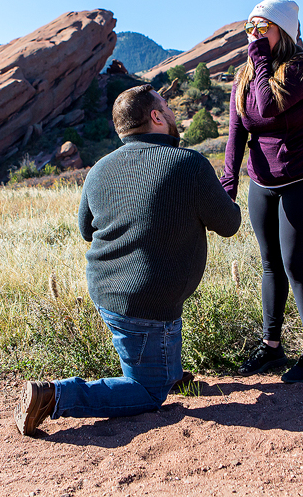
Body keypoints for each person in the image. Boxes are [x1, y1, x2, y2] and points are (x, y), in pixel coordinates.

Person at [15, 84, 241, 435]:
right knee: (147, 393)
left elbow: (86, 230)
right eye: (166, 107)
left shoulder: (100, 169)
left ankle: (170, 372)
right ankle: (55, 397)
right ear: (155, 117)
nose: (171, 112)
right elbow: (229, 224)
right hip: (145, 303)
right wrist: (226, 187)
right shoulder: (189, 164)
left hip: (107, 289)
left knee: (162, 306)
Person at [220, 0, 303, 384]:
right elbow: (238, 131)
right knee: (270, 263)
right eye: (249, 29)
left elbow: (267, 110)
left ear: (282, 31)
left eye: (261, 28)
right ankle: (272, 346)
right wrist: (229, 182)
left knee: (295, 263)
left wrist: (258, 58)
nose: (253, 36)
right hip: (263, 179)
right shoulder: (246, 75)